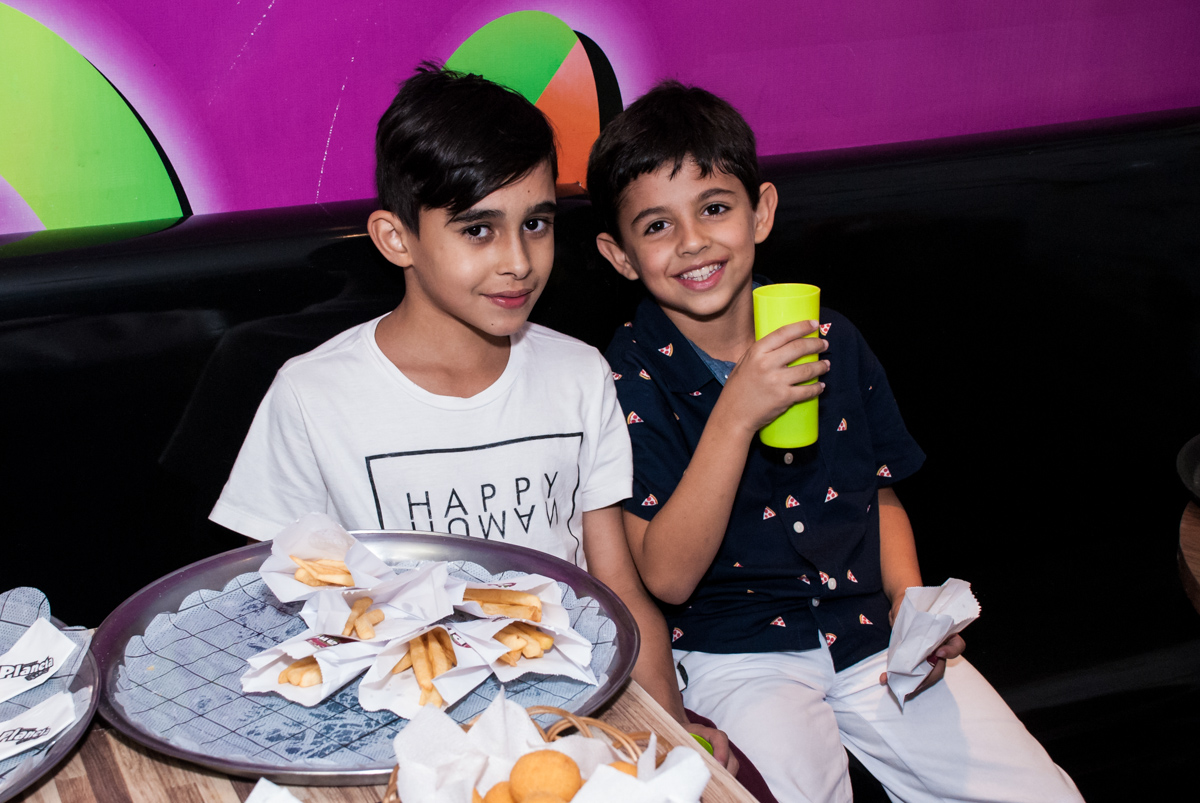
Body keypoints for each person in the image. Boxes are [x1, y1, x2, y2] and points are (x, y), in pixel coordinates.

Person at [210, 65, 737, 769]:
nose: (518, 261)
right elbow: (261, 606)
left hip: (573, 712)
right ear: (396, 238)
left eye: (536, 224)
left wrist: (671, 736)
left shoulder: (579, 374)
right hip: (397, 735)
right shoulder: (314, 395)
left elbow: (618, 589)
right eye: (478, 229)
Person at [588, 81, 1082, 803]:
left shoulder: (830, 338)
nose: (692, 241)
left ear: (761, 212)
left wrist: (911, 606)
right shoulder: (624, 375)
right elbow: (666, 578)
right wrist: (736, 414)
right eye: (657, 225)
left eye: (715, 208)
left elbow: (875, 494)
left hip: (867, 633)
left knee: (1042, 793)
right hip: (738, 652)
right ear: (621, 254)